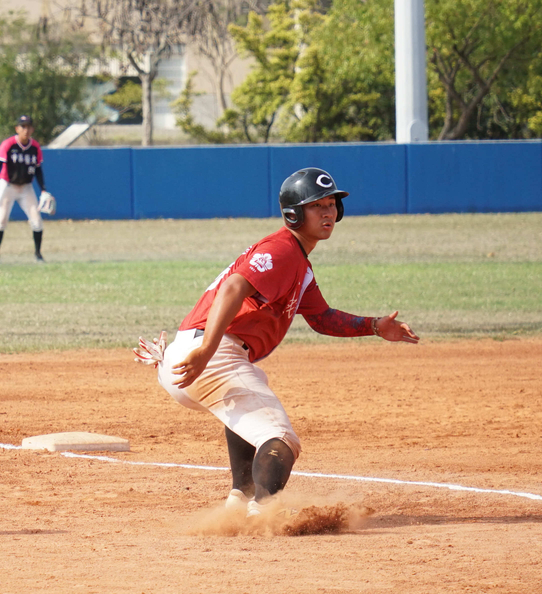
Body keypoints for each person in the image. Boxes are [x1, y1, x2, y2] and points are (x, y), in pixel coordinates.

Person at [133, 167, 420, 518]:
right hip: (213, 354)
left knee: (247, 407)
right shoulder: (282, 250)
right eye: (318, 206)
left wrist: (375, 326)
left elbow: (322, 318)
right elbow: (233, 288)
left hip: (196, 354)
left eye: (332, 205)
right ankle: (262, 515)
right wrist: (206, 351)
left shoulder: (299, 264)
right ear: (294, 213)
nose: (328, 212)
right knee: (282, 440)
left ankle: (240, 499)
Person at [0, 114, 49, 263]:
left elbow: (38, 169)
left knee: (37, 221)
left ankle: (38, 255)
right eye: (23, 126)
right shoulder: (8, 144)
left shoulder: (35, 147)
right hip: (8, 186)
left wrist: (43, 189)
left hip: (26, 187)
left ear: (32, 129)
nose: (26, 130)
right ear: (17, 128)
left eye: (28, 126)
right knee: (1, 220)